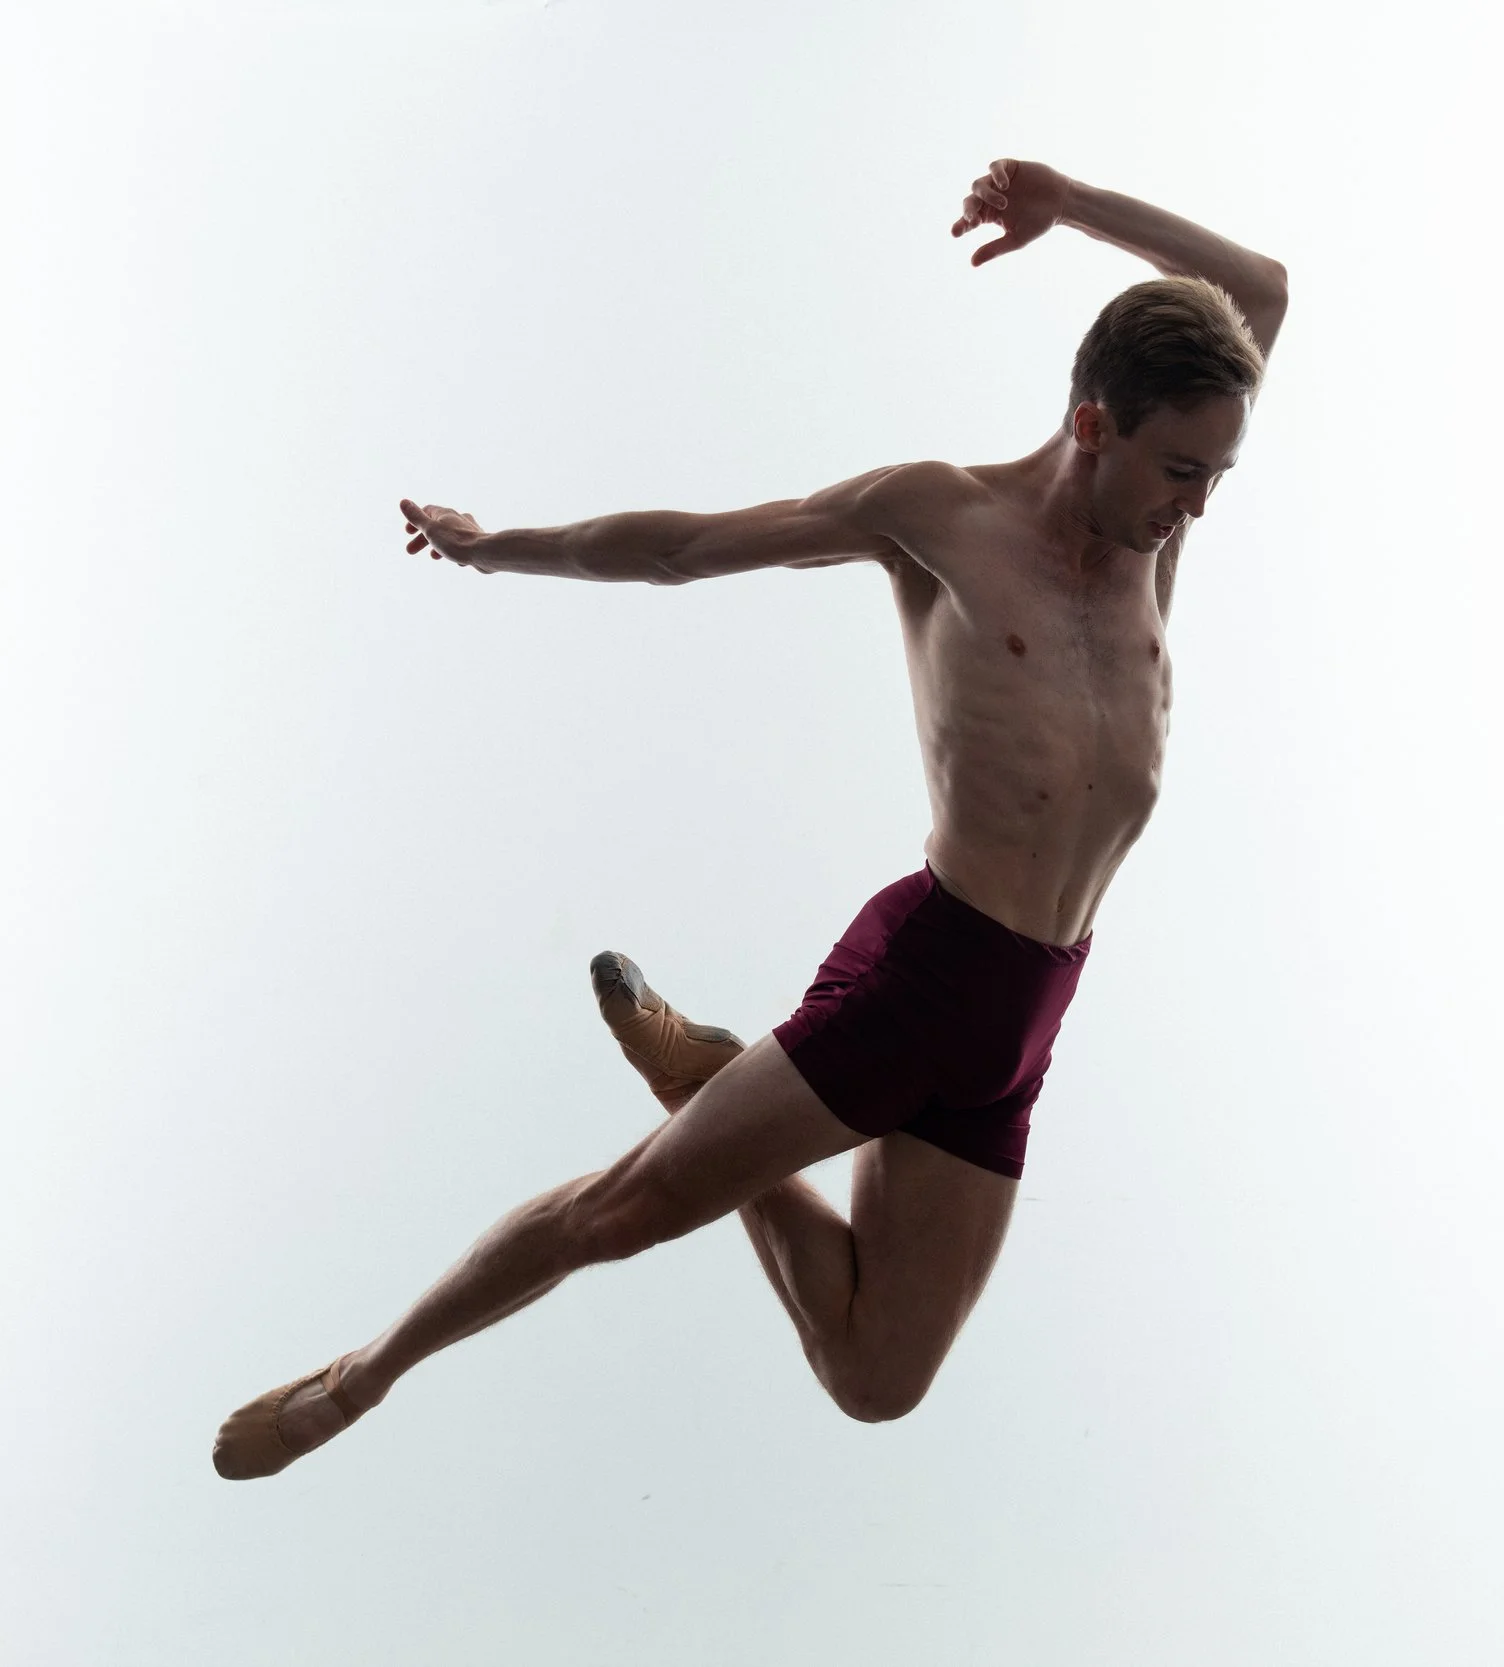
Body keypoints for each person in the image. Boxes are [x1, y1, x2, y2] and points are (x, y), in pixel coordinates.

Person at [212, 157, 1287, 1479]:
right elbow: (682, 548)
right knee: (623, 1211)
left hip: (1031, 1012)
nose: (1198, 504)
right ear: (1092, 424)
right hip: (926, 973)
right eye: (1181, 468)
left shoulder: (1155, 545)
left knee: (876, 1380)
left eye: (1217, 474)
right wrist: (495, 546)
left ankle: (714, 1078)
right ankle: (356, 1380)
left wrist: (1065, 202)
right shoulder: (942, 518)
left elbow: (1259, 288)